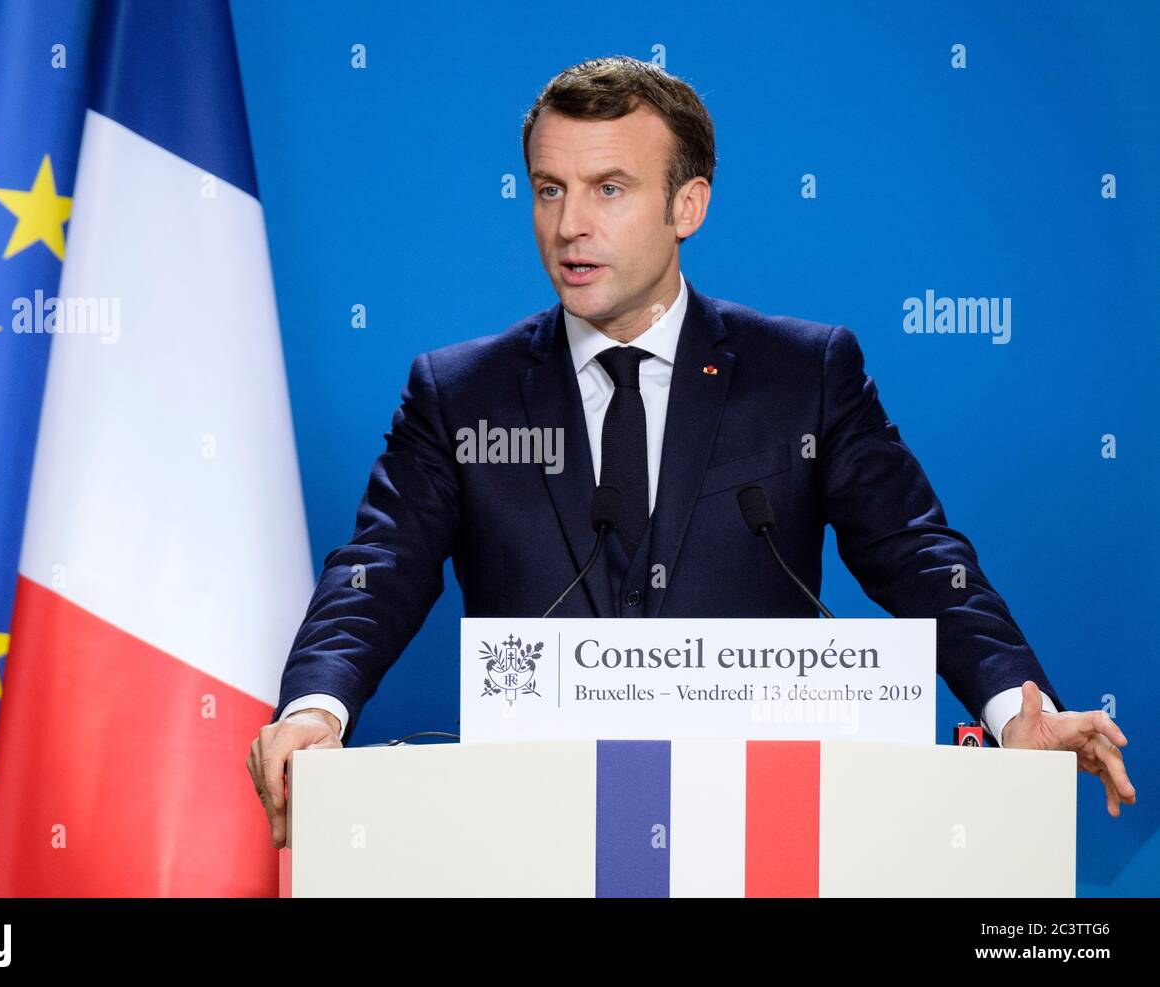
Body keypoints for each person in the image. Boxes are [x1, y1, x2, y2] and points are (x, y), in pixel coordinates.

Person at [247, 56, 1135, 850]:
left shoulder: (806, 375)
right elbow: (378, 565)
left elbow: (917, 555)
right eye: (549, 188)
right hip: (533, 837)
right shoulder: (459, 393)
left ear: (688, 205)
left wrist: (1020, 708)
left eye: (609, 189)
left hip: (761, 833)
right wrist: (316, 709)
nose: (569, 225)